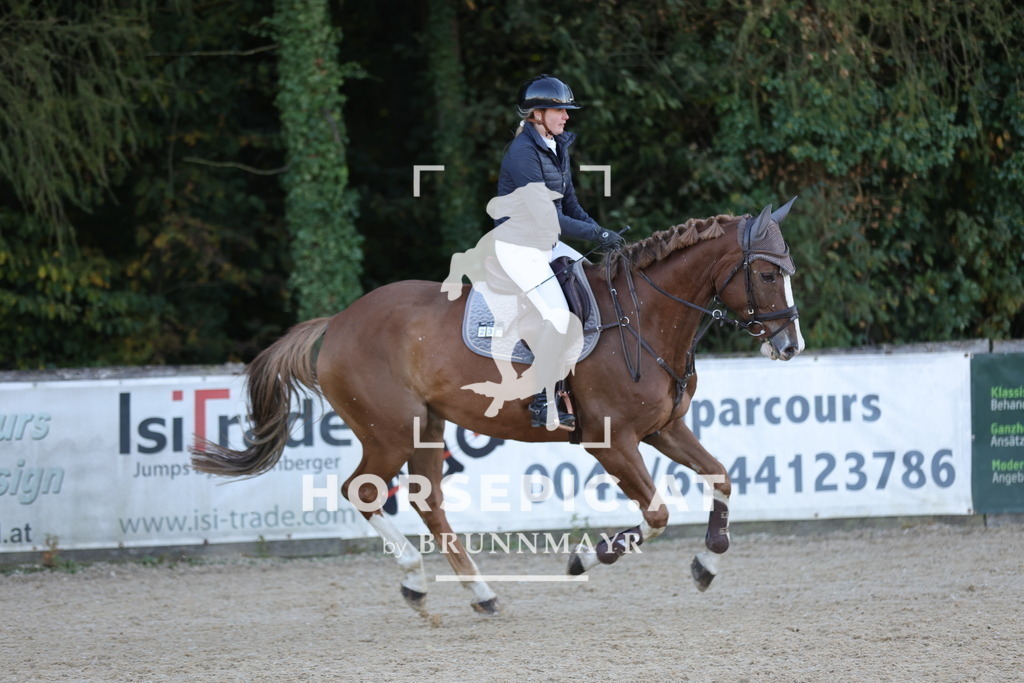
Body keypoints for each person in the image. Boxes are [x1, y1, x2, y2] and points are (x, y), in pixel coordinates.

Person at [492, 74, 624, 429]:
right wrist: (597, 233)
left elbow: (570, 205)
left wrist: (603, 234)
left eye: (567, 110)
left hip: (545, 242)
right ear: (537, 114)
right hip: (518, 246)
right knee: (557, 315)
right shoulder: (522, 154)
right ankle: (542, 399)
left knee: (594, 290)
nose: (566, 116)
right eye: (559, 110)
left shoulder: (556, 146)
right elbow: (548, 216)